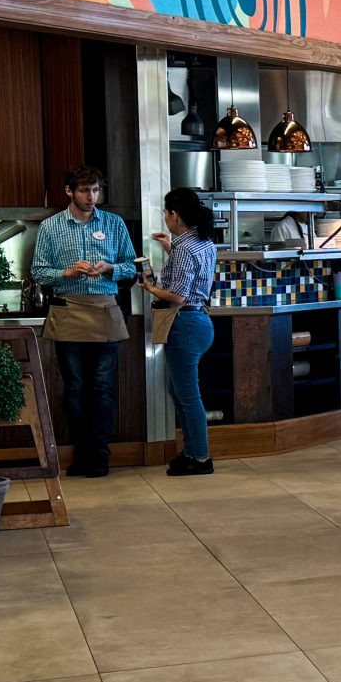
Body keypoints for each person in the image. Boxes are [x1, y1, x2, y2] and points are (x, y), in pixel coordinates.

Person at [30, 164, 137, 477]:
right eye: (84, 191)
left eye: (95, 190)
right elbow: (39, 272)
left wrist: (110, 268)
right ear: (69, 192)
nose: (91, 197)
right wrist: (67, 272)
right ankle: (81, 454)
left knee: (101, 386)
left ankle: (100, 456)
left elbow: (133, 267)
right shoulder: (50, 227)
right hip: (68, 310)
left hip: (105, 310)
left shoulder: (114, 224)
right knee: (75, 387)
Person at [140, 188, 219, 477]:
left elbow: (177, 295)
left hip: (184, 323)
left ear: (175, 215)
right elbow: (193, 274)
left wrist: (149, 287)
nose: (165, 217)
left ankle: (201, 457)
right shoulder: (203, 241)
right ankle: (191, 451)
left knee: (188, 396)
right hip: (199, 322)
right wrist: (169, 248)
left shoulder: (185, 247)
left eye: (166, 212)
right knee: (180, 391)